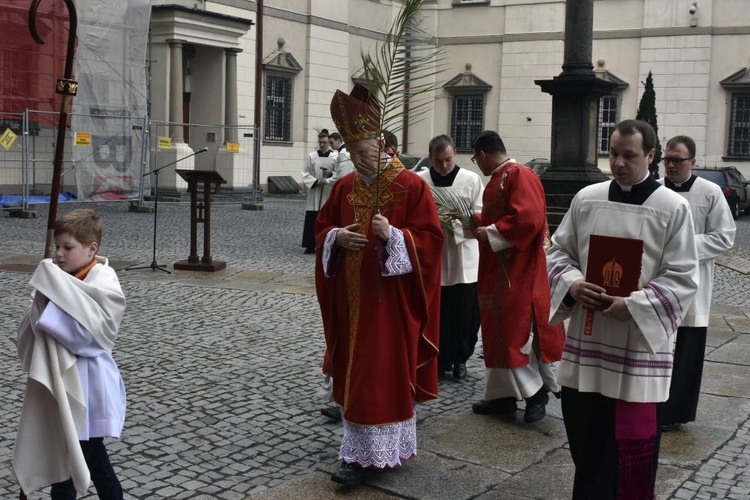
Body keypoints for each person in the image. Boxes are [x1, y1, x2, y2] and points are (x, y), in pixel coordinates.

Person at [547, 119, 699, 499]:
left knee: (626, 454)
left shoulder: (673, 207)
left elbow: (682, 277)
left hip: (636, 352)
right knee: (587, 444)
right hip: (587, 345)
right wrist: (573, 283)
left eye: (628, 156)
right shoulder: (588, 198)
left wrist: (632, 306)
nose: (617, 163)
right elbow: (559, 250)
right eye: (613, 153)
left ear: (650, 155)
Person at [317, 83, 443, 485]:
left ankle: (369, 457)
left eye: (364, 153)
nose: (358, 161)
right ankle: (357, 451)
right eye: (352, 154)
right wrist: (337, 238)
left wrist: (396, 237)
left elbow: (431, 243)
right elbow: (322, 230)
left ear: (384, 146)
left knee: (381, 371)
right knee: (357, 368)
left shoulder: (412, 186)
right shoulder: (345, 186)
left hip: (391, 303)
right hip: (352, 304)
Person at [13, 209, 127, 499]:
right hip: (62, 382)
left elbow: (90, 337)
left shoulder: (104, 283)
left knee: (68, 467)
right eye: (57, 247)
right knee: (93, 460)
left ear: (92, 249)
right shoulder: (55, 277)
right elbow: (34, 326)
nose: (59, 254)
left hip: (89, 387)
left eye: (68, 248)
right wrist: (43, 295)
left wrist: (51, 300)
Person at [469, 130, 565, 423]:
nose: (478, 164)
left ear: (483, 155)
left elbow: (529, 219)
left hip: (519, 272)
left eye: (476, 159)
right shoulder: (500, 178)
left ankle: (536, 393)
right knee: (498, 333)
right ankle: (502, 397)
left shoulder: (519, 175)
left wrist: (493, 232)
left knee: (513, 335)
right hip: (499, 269)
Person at [659, 135, 735, 432]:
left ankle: (674, 412)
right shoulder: (656, 191)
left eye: (677, 160)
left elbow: (724, 235)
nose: (671, 165)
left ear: (693, 161)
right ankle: (651, 404)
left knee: (685, 355)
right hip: (658, 284)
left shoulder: (710, 192)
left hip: (693, 287)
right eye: (667, 159)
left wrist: (684, 246)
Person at [418, 134, 483, 380]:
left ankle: (461, 359)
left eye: (448, 160)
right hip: (433, 256)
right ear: (430, 158)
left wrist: (452, 223)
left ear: (455, 153)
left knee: (465, 312)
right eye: (438, 161)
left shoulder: (471, 179)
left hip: (464, 256)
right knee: (438, 312)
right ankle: (438, 357)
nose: (444, 166)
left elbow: (479, 215)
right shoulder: (420, 180)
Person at [301, 129, 337, 254]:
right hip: (315, 190)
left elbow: (339, 174)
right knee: (312, 219)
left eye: (325, 143)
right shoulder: (312, 156)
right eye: (320, 142)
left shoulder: (335, 157)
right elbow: (304, 173)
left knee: (326, 219)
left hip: (328, 191)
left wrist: (330, 176)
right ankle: (310, 245)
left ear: (329, 143)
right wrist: (316, 182)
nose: (322, 145)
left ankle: (325, 244)